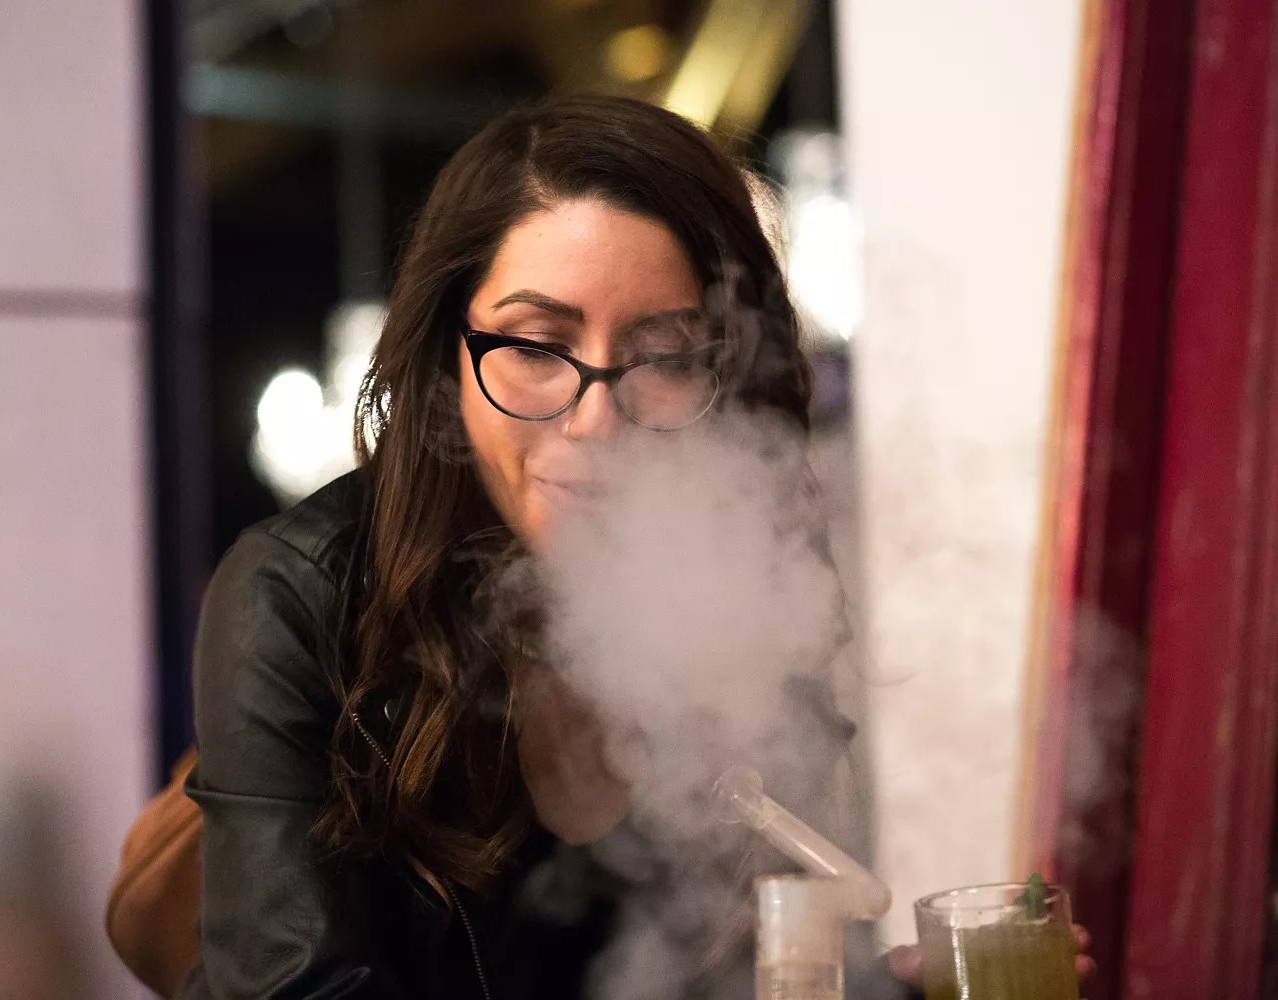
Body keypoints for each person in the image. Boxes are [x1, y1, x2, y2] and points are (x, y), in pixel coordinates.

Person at [155, 95, 1092, 1000]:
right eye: (535, 346)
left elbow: (760, 966)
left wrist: (878, 992)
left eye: (666, 358)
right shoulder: (300, 597)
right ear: (447, 356)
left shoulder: (742, 596)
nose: (597, 421)